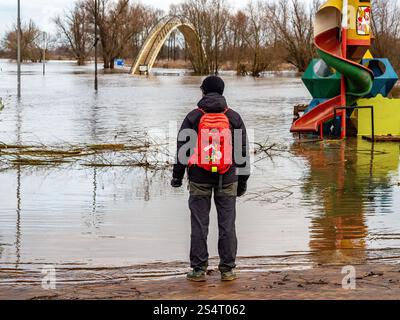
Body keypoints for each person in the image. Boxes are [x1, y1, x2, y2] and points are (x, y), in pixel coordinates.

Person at [171, 75, 250, 282]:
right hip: (228, 176)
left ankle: (198, 270)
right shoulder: (233, 117)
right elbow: (242, 153)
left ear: (203, 92)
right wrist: (242, 182)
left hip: (199, 176)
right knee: (227, 225)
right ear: (222, 92)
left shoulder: (193, 117)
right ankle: (227, 270)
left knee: (199, 224)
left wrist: (177, 177)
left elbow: (183, 151)